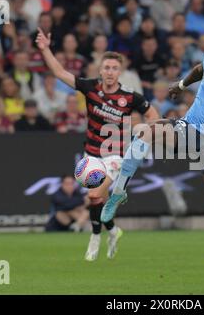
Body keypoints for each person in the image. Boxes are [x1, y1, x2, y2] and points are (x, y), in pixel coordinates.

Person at [102, 21, 204, 280]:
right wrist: (181, 85)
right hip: (191, 128)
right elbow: (200, 69)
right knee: (147, 131)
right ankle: (118, 192)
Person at [36, 28, 159, 261]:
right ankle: (112, 231)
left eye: (114, 68)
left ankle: (94, 237)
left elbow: (153, 115)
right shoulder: (90, 87)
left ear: (119, 71)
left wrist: (144, 134)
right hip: (91, 153)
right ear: (100, 70)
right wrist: (45, 49)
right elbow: (59, 72)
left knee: (94, 195)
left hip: (116, 155)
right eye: (107, 68)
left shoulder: (131, 97)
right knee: (95, 200)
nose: (110, 72)